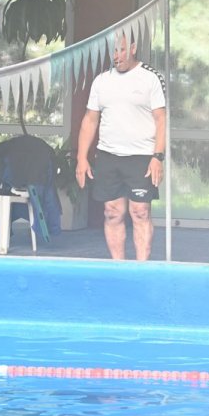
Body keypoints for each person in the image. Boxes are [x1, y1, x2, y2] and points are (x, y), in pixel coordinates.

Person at [75, 32, 167, 261]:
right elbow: (90, 120)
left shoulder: (150, 78)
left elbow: (161, 119)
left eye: (122, 50)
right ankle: (119, 267)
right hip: (108, 155)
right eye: (114, 51)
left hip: (141, 157)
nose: (117, 56)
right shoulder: (101, 81)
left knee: (140, 212)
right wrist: (81, 158)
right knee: (112, 213)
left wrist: (158, 156)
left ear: (133, 48)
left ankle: (141, 269)